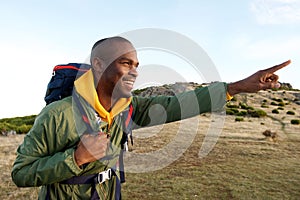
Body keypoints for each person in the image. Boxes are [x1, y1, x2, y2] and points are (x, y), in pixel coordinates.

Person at [11, 36, 291, 199]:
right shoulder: (57, 116)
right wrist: (76, 159)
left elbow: (178, 104)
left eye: (136, 65)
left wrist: (237, 87)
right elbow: (20, 173)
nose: (134, 71)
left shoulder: (128, 107)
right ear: (98, 64)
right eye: (125, 63)